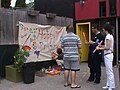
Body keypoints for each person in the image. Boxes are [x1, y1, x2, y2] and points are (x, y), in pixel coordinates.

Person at [96, 24, 115, 90]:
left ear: (105, 29)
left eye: (103, 29)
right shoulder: (110, 36)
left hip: (108, 55)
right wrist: (102, 46)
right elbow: (107, 46)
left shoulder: (108, 37)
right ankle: (108, 85)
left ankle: (111, 86)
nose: (103, 30)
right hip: (109, 54)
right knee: (108, 71)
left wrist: (99, 48)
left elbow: (108, 47)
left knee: (109, 71)